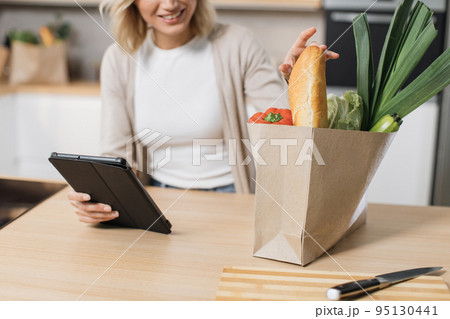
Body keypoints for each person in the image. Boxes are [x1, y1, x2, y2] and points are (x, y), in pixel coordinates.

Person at [68, 0, 338, 224]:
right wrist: (99, 195)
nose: (171, 4)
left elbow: (285, 120)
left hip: (235, 197)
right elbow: (116, 152)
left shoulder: (237, 43)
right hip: (155, 201)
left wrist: (297, 81)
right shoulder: (118, 59)